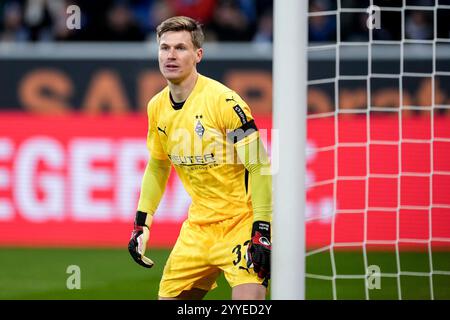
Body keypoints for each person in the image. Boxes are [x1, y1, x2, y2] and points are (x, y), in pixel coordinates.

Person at [128, 16, 272, 300]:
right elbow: (158, 165)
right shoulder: (156, 107)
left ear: (198, 55)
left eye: (180, 48)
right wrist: (141, 225)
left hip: (241, 223)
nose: (170, 55)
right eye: (164, 47)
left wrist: (262, 228)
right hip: (198, 228)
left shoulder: (224, 102)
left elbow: (259, 165)